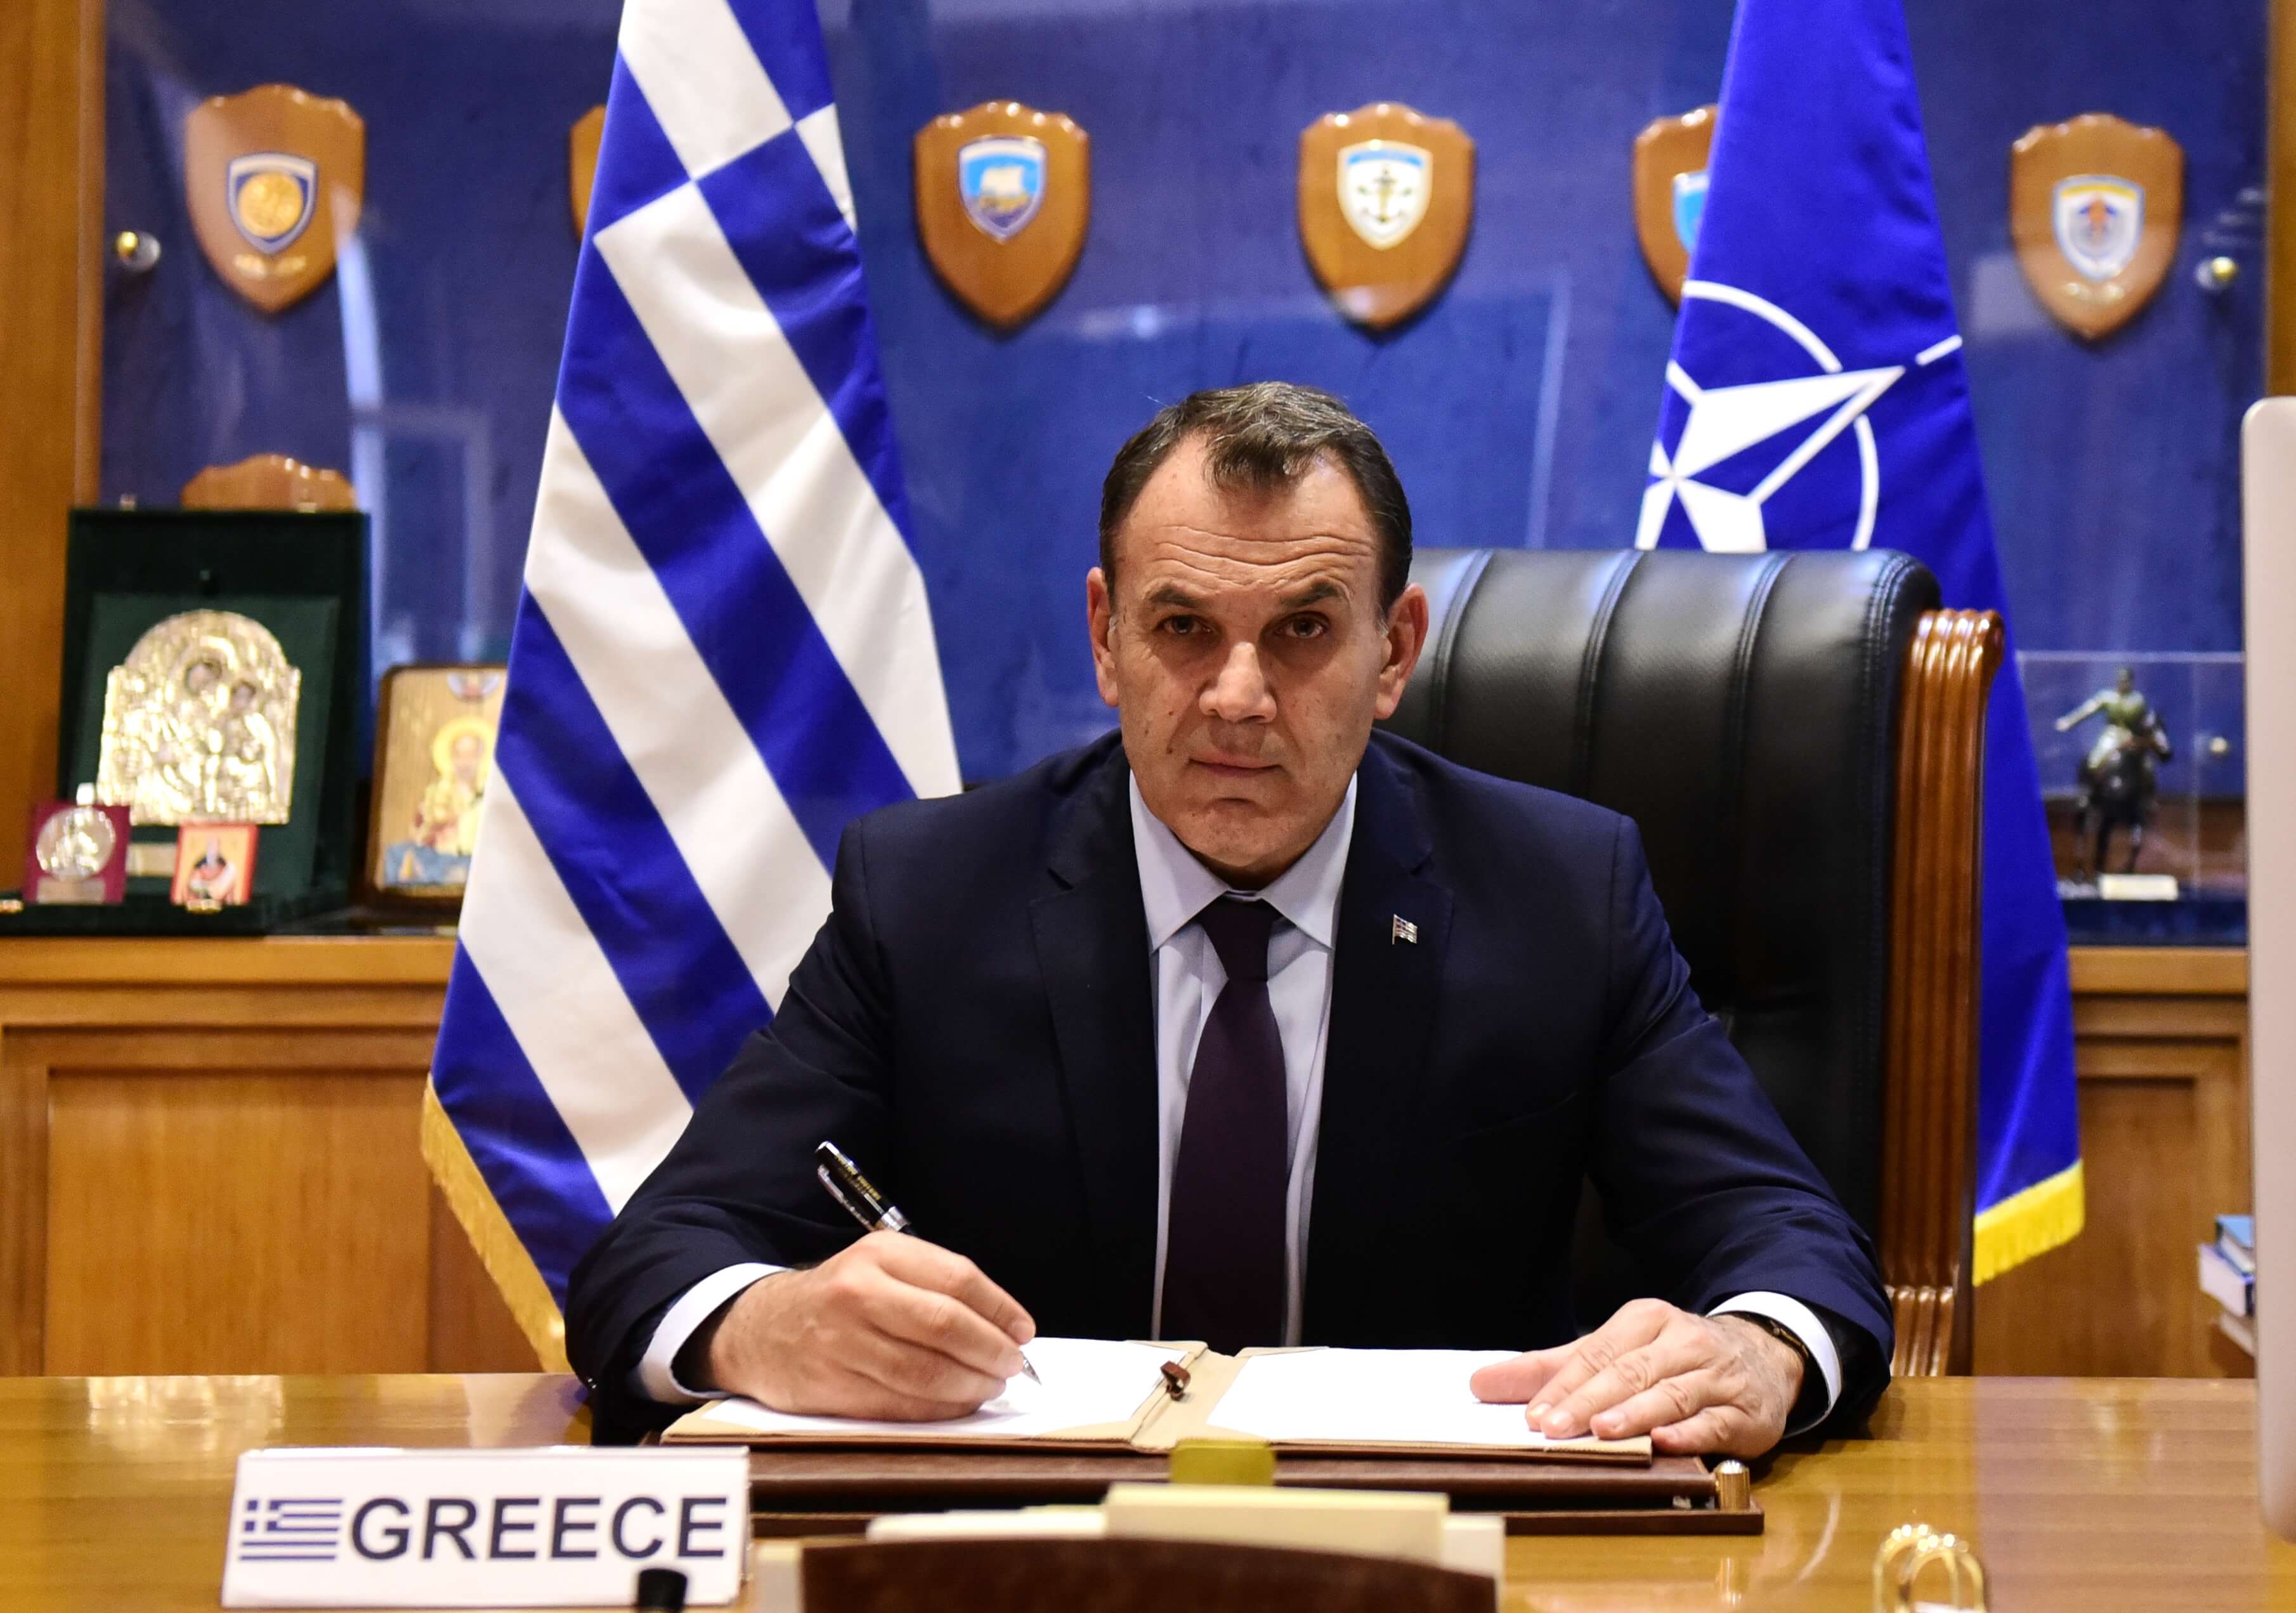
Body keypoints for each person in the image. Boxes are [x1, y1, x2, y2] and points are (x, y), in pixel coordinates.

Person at [566, 382, 1892, 1456]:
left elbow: (1787, 1237)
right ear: (1106, 638)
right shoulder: (926, 897)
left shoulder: (1560, 894)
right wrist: (761, 1325)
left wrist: (1755, 1348)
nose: (1238, 697)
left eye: (1304, 630)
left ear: (1394, 650)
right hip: (1033, 1563)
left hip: (1444, 1557)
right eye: (1184, 627)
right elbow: (652, 1260)